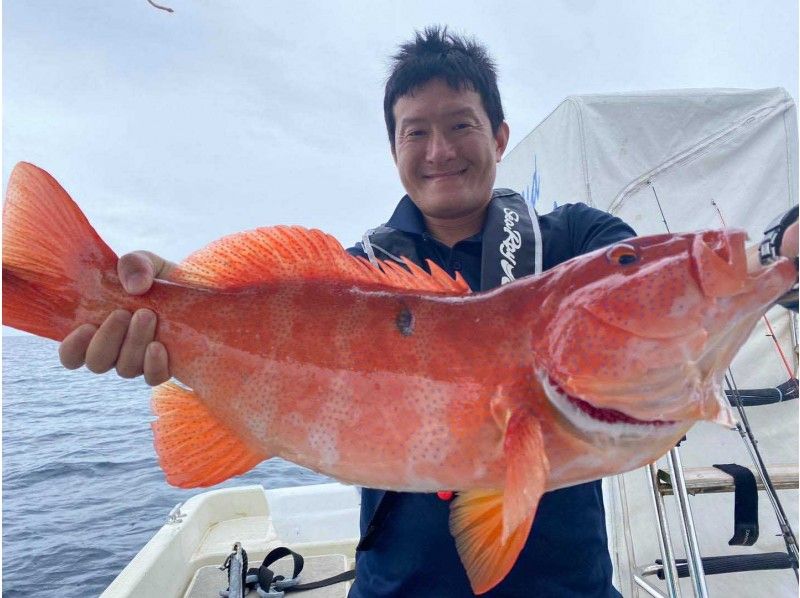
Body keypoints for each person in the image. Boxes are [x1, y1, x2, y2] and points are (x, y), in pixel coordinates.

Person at [59, 27, 798, 597]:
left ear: (500, 136)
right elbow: (235, 306)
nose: (440, 149)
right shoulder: (357, 276)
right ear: (393, 150)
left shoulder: (578, 238)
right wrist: (158, 294)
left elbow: (676, 297)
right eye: (416, 131)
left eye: (462, 125)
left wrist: (779, 249)